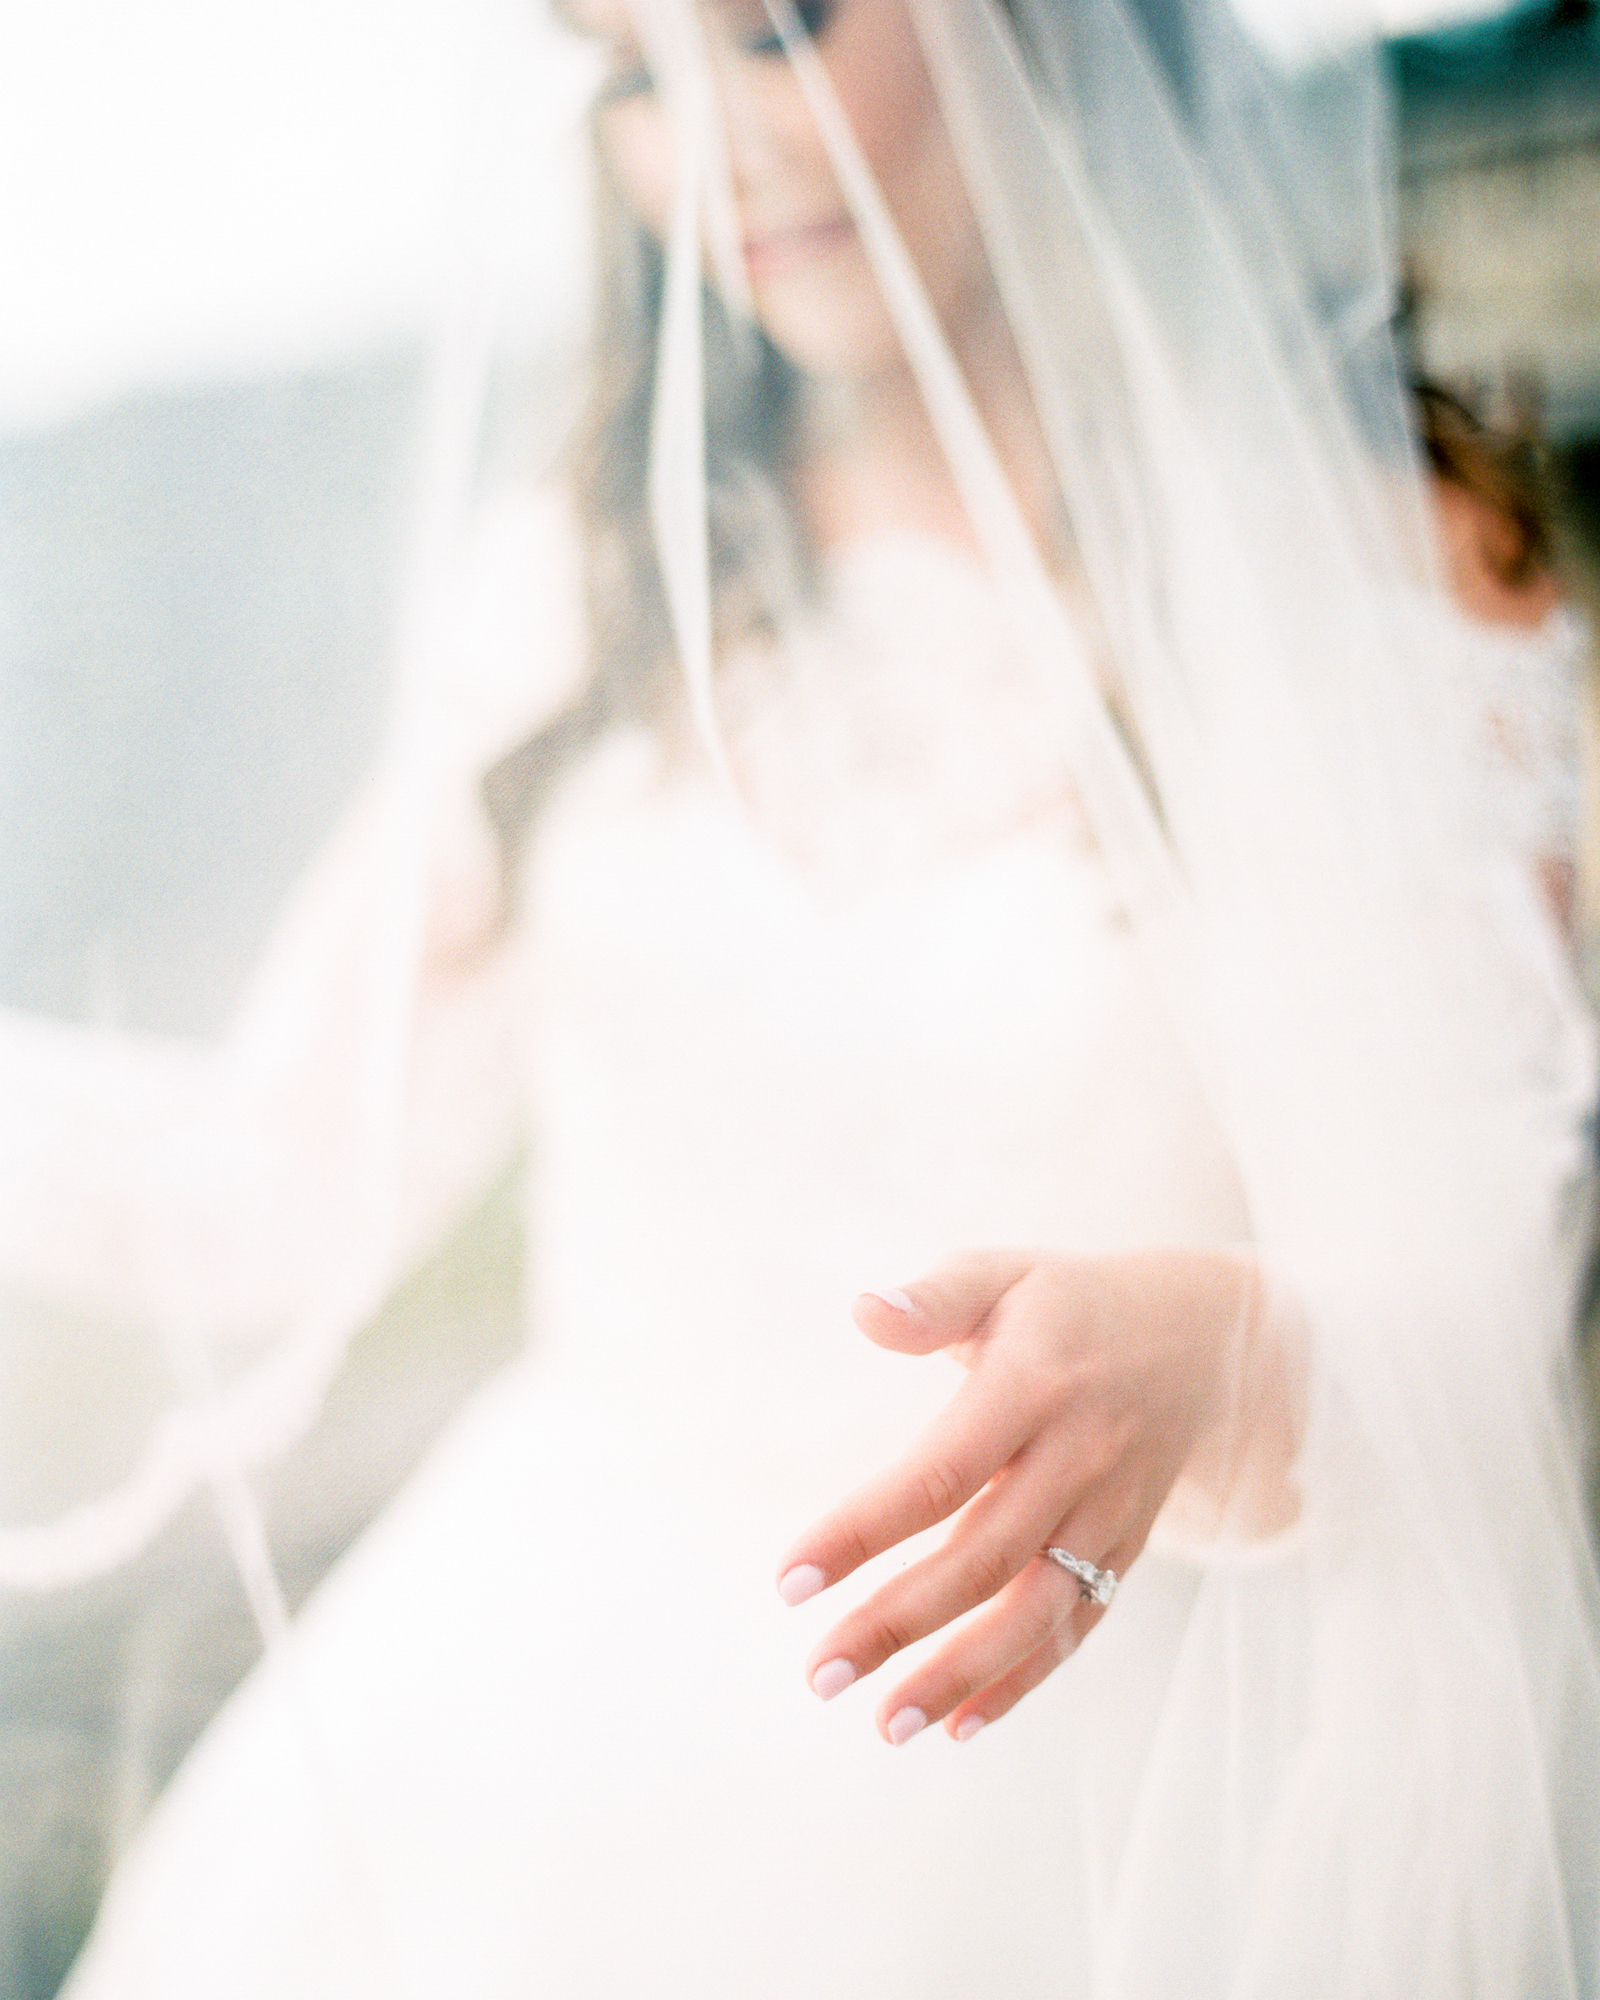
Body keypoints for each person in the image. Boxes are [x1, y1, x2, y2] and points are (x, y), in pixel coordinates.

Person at [55, 0, 1600, 1993]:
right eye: (627, 70)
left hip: (1109, 1801)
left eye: (778, 26)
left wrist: (1220, 1357)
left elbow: (1483, 1322)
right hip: (532, 1746)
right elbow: (271, 1180)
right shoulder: (595, 577)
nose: (714, 134)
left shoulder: (1377, 562)